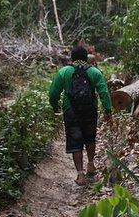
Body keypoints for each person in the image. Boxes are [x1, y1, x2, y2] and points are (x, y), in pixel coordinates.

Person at [49, 46, 112, 185]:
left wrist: (55, 106)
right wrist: (108, 110)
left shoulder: (64, 72)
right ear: (86, 58)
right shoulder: (95, 72)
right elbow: (104, 92)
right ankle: (91, 164)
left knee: (75, 142)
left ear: (72, 57)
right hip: (90, 110)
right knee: (90, 138)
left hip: (70, 111)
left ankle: (80, 174)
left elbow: (53, 92)